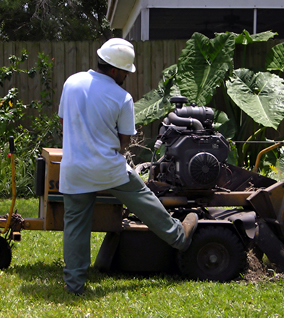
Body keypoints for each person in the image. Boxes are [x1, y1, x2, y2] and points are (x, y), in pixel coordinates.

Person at [58, 38, 198, 295]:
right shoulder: (122, 97)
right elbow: (124, 143)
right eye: (125, 71)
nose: (126, 76)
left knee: (76, 226)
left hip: (73, 168)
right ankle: (179, 238)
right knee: (144, 199)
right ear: (114, 70)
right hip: (108, 168)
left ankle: (74, 284)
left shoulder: (72, 82)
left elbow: (64, 121)